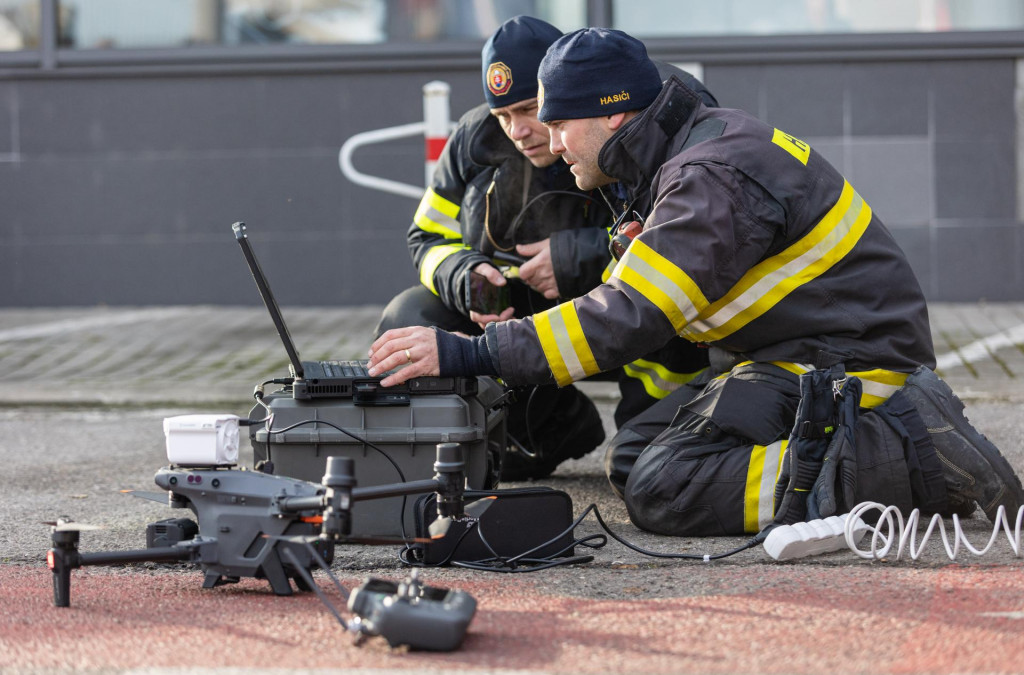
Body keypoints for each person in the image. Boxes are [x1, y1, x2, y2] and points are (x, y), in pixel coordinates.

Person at [368, 27, 1024, 537]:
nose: (551, 140)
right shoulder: (681, 154)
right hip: (797, 358)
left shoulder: (706, 178)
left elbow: (627, 313)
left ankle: (909, 459)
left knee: (662, 485)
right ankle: (869, 449)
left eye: (562, 120)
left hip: (849, 370)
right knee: (636, 457)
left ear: (614, 116)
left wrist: (470, 352)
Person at [374, 16, 714, 481]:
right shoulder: (473, 142)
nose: (517, 131)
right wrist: (465, 276)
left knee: (646, 467)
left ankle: (655, 428)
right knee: (410, 315)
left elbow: (682, 245)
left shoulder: (641, 127)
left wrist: (581, 258)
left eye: (531, 109)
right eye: (502, 116)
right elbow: (426, 236)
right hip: (526, 320)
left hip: (633, 310)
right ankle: (541, 430)